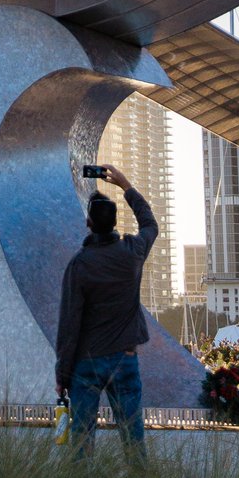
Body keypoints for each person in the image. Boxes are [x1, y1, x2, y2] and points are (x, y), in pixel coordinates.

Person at [54, 164, 157, 459]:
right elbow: (150, 225)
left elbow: (69, 324)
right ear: (114, 222)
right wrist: (126, 186)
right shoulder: (132, 252)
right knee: (133, 441)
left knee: (81, 442)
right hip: (124, 360)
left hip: (86, 363)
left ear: (88, 222)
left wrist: (62, 373)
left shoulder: (80, 265)